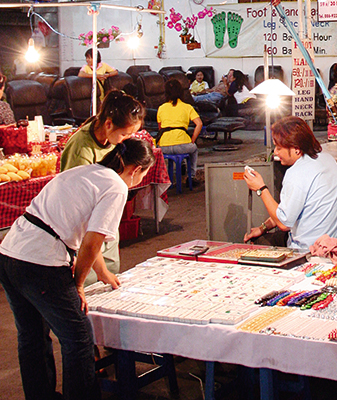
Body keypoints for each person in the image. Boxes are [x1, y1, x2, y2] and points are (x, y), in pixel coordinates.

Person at [0, 138, 154, 400]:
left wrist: (103, 273)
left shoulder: (84, 171)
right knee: (79, 339)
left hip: (10, 253)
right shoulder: (116, 186)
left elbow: (83, 235)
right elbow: (92, 242)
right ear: (137, 169)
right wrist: (79, 284)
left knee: (32, 337)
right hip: (42, 263)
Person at [60, 90, 145, 286]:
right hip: (84, 230)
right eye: (125, 134)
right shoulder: (81, 149)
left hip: (103, 225)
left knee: (110, 276)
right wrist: (100, 272)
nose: (126, 139)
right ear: (108, 124)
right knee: (89, 285)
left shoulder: (111, 139)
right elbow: (82, 221)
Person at [243, 116, 337, 252]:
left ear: (296, 149)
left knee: (257, 244)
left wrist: (261, 188)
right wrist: (263, 228)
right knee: (268, 236)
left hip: (313, 251)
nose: (276, 153)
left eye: (279, 148)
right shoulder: (327, 159)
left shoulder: (296, 173)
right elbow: (290, 211)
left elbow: (284, 223)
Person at [157, 79, 202, 172]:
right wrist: (193, 139)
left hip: (164, 147)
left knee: (170, 151)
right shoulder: (187, 107)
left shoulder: (161, 108)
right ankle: (192, 175)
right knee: (193, 150)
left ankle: (170, 174)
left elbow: (160, 128)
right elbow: (199, 124)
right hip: (183, 145)